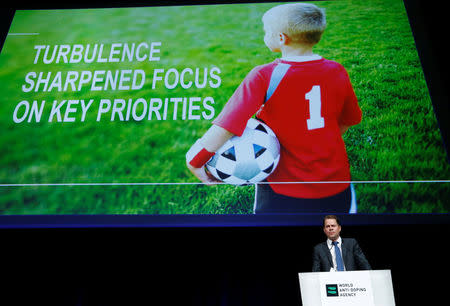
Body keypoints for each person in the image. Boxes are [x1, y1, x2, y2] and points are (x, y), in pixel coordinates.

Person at [186, 3, 362, 213]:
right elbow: (349, 119)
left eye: (266, 32)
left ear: (281, 38)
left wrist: (196, 160)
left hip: (281, 189)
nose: (264, 36)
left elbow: (228, 125)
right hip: (336, 184)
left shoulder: (264, 75)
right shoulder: (337, 71)